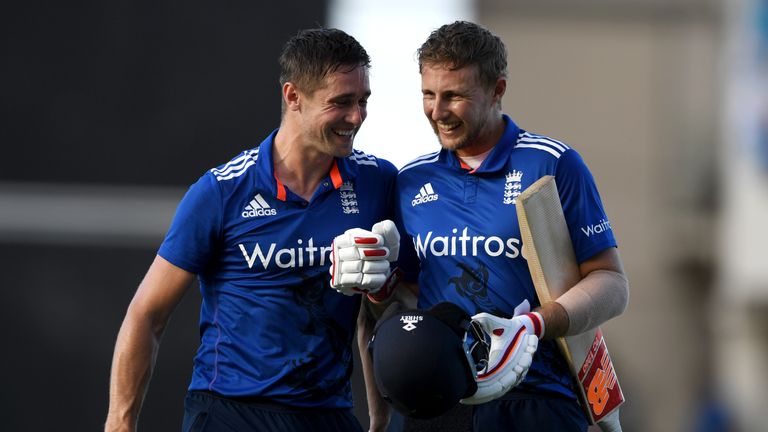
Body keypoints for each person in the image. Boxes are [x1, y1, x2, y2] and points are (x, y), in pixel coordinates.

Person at [104, 27, 399, 432]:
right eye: (341, 102)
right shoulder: (222, 191)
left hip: (328, 414)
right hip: (231, 412)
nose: (357, 116)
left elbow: (384, 312)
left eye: (363, 101)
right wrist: (120, 423)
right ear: (293, 96)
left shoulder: (377, 181)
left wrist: (380, 419)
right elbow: (147, 314)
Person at [348, 21, 630, 432]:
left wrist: (531, 325)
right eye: (428, 94)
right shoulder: (411, 181)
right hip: (439, 402)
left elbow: (612, 284)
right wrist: (377, 286)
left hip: (536, 399)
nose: (438, 111)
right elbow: (401, 300)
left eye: (454, 96)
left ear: (497, 89)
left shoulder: (551, 164)